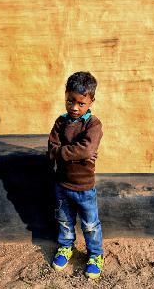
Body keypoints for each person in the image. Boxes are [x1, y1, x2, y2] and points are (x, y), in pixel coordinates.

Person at [47, 71, 104, 279]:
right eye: (70, 101)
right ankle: (65, 247)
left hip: (85, 187)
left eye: (81, 103)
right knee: (64, 220)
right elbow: (52, 147)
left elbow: (86, 150)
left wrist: (63, 152)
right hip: (62, 184)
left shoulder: (93, 125)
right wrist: (72, 154)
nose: (74, 107)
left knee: (90, 224)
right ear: (65, 96)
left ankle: (96, 254)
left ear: (91, 101)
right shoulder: (61, 122)